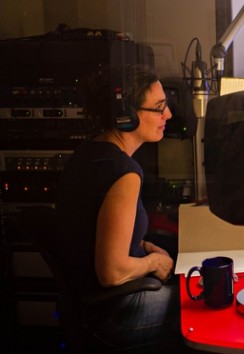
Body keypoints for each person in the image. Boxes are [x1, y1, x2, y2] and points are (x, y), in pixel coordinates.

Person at [56, 65, 182, 351]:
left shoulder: (88, 153)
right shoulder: (124, 173)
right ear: (126, 116)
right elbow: (111, 272)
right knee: (204, 303)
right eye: (159, 107)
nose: (168, 115)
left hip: (85, 306)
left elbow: (88, 229)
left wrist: (142, 245)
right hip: (114, 315)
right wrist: (153, 263)